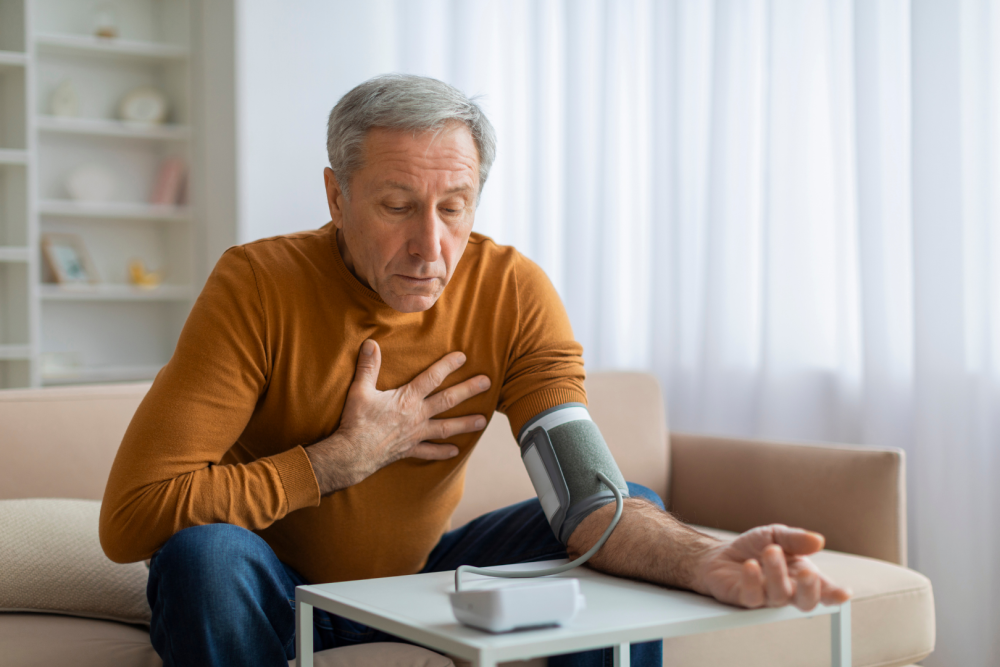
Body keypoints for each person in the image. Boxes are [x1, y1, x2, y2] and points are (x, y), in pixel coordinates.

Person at [100, 74, 850, 667]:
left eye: (455, 207)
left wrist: (704, 558)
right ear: (336, 195)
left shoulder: (513, 291)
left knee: (633, 505)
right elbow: (131, 516)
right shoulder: (256, 284)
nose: (432, 246)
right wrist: (335, 461)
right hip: (265, 581)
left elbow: (589, 503)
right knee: (204, 554)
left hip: (422, 578)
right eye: (397, 205)